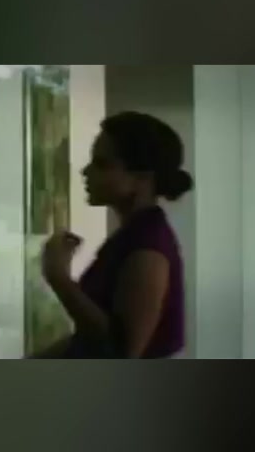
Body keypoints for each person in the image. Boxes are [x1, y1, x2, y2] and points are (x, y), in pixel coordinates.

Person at [36, 111, 192, 359]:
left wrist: (58, 277)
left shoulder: (148, 248)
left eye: (102, 164)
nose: (86, 172)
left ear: (142, 178)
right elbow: (88, 336)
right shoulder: (132, 235)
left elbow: (121, 352)